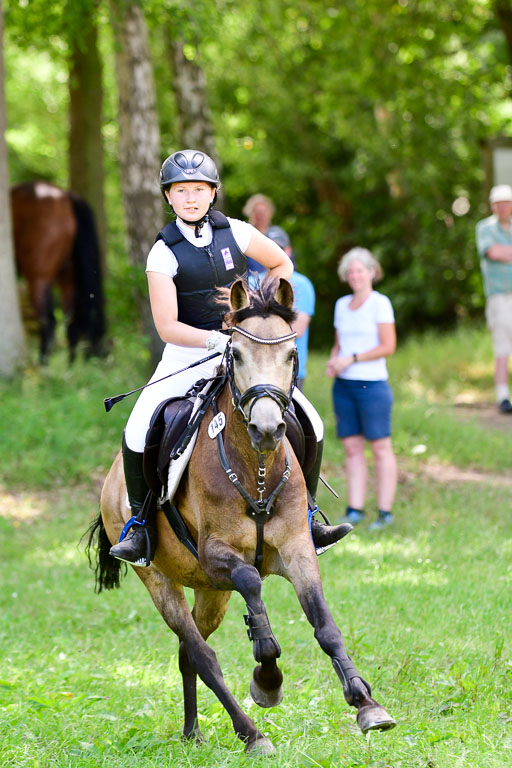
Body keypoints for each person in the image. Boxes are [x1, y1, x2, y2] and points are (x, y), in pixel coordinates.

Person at [109, 149, 348, 566]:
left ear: (212, 192)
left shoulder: (235, 232)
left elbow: (282, 263)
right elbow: (166, 325)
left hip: (244, 352)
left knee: (311, 419)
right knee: (137, 427)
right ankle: (141, 529)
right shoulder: (162, 252)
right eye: (181, 191)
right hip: (187, 354)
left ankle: (309, 517)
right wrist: (212, 342)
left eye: (198, 190)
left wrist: (259, 313)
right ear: (168, 197)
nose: (190, 198)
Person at [326, 247, 397, 530]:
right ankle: (355, 509)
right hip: (343, 386)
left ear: (371, 272)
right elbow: (339, 343)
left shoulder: (380, 303)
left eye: (360, 270)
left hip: (373, 385)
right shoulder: (342, 305)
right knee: (352, 448)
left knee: (380, 447)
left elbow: (388, 346)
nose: (355, 275)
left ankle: (385, 512)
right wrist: (335, 360)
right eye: (351, 271)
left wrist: (352, 359)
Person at [475, 184, 512, 414]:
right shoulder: (485, 228)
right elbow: (493, 252)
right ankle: (503, 396)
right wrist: (503, 253)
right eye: (499, 204)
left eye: (507, 203)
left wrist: (505, 252)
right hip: (499, 295)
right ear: (492, 206)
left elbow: (502, 252)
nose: (504, 207)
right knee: (502, 345)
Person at [265, 226, 315, 390]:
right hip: (256, 368)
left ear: (288, 251)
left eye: (279, 249)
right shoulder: (250, 281)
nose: (274, 253)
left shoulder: (302, 284)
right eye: (270, 248)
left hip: (290, 369)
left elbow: (296, 330)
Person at [242, 194, 275, 279]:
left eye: (263, 212)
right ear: (250, 213)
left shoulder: (277, 234)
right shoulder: (243, 235)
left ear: (270, 214)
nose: (260, 216)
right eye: (257, 212)